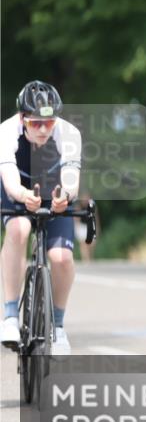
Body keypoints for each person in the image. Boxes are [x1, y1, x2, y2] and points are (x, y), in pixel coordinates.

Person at [0, 81, 82, 354]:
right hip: (17, 188)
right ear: (23, 119)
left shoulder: (68, 133)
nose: (44, 129)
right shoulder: (6, 132)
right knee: (20, 230)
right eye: (36, 123)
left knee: (61, 257)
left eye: (49, 122)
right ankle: (11, 316)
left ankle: (58, 326)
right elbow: (9, 179)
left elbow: (71, 178)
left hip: (53, 190)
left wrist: (65, 197)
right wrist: (22, 196)